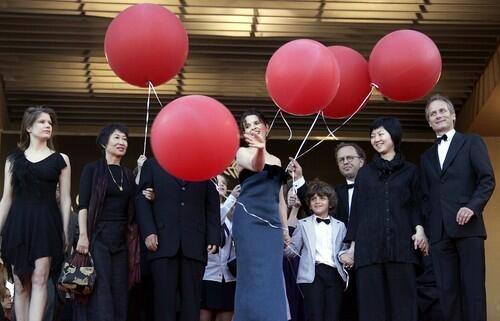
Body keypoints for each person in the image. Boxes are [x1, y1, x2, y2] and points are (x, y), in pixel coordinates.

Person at [342, 117, 429, 321]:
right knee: (372, 311)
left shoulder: (411, 171)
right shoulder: (364, 174)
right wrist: (353, 248)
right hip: (369, 252)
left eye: (381, 134)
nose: (376, 139)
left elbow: (417, 205)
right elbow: (357, 212)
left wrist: (420, 230)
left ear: (394, 135)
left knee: (404, 308)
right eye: (372, 136)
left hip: (402, 249)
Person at [420, 94, 495, 321]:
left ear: (452, 116)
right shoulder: (426, 157)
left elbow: (487, 180)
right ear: (429, 122)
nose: (438, 115)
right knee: (447, 293)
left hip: (468, 228)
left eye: (442, 111)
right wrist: (425, 229)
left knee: (472, 290)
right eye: (433, 114)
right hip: (439, 234)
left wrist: (472, 207)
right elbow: (425, 197)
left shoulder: (471, 141)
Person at [0, 106, 71, 321]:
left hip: (46, 222)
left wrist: (66, 231)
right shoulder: (13, 160)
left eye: (50, 122)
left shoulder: (61, 159)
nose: (48, 125)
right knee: (20, 282)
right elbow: (6, 198)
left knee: (40, 278)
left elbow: (66, 198)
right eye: (42, 122)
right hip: (18, 223)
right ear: (29, 127)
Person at [135, 153, 220, 321]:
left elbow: (212, 204)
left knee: (192, 303)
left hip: (195, 243)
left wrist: (213, 236)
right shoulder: (152, 165)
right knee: (163, 303)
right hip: (162, 242)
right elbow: (142, 200)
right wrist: (149, 232)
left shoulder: (206, 168)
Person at [288, 142, 366, 321]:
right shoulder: (336, 194)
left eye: (349, 158)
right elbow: (315, 204)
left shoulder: (376, 190)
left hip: (368, 260)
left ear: (361, 161)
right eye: (341, 160)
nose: (345, 162)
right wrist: (299, 178)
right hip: (338, 266)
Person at [74, 123, 144, 321]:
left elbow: (134, 207)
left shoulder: (128, 175)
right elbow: (84, 206)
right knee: (100, 289)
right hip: (97, 236)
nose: (122, 142)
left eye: (125, 139)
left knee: (120, 289)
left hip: (121, 240)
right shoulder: (92, 169)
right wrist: (83, 236)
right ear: (104, 142)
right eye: (117, 138)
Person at [232, 109, 289, 321]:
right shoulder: (242, 153)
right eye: (247, 125)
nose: (253, 127)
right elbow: (257, 166)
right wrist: (259, 149)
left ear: (266, 126)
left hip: (272, 226)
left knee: (272, 277)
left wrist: (285, 230)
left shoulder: (277, 159)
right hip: (249, 221)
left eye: (256, 123)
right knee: (252, 277)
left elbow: (280, 199)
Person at [285, 180, 347, 321]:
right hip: (312, 274)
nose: (317, 201)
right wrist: (286, 244)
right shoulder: (303, 224)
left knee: (333, 315)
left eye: (322, 198)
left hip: (334, 273)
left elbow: (344, 249)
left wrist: (345, 256)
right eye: (313, 199)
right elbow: (292, 250)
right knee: (315, 315)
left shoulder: (340, 226)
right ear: (309, 204)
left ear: (330, 203)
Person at [200, 174, 240, 321]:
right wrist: (232, 199)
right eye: (217, 182)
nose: (221, 185)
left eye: (223, 183)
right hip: (207, 276)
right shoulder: (202, 211)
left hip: (228, 278)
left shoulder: (230, 216)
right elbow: (214, 220)